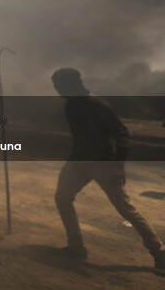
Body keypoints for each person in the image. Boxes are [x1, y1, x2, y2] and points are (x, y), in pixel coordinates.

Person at [50, 68, 165, 276]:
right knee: (62, 198)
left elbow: (122, 133)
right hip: (78, 162)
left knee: (125, 208)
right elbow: (80, 136)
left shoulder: (98, 104)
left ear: (72, 83)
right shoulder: (71, 104)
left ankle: (160, 252)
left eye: (59, 86)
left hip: (103, 163)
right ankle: (76, 248)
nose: (57, 90)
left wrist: (118, 166)